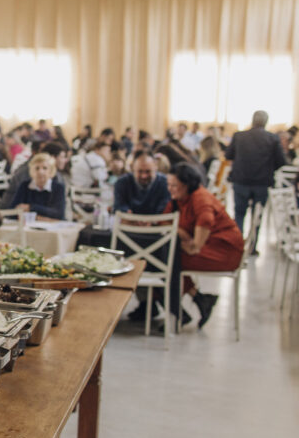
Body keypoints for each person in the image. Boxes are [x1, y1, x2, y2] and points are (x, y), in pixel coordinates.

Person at [166, 162, 245, 327]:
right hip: (212, 246)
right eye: (169, 184)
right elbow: (165, 222)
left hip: (224, 251)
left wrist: (183, 237)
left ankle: (180, 309)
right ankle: (196, 301)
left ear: (187, 185)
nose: (170, 189)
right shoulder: (181, 198)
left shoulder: (200, 198)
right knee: (165, 259)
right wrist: (181, 233)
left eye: (174, 185)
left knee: (166, 262)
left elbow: (195, 247)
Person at [224, 110, 286, 247]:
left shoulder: (239, 136)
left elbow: (228, 155)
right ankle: (252, 246)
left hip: (241, 180)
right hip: (262, 182)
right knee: (257, 215)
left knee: (239, 213)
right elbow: (281, 161)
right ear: (266, 122)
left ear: (253, 120)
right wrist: (269, 169)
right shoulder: (272, 138)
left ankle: (238, 245)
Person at [1, 141, 67, 209]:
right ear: (52, 158)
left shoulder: (56, 177)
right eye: (62, 157)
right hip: (11, 211)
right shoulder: (29, 172)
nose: (65, 160)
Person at [113, 150, 171, 215]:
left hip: (157, 223)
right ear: (133, 168)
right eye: (140, 171)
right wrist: (127, 213)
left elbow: (165, 208)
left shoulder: (166, 183)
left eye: (148, 171)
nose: (144, 176)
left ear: (155, 167)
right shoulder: (122, 182)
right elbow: (119, 206)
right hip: (128, 223)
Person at [11, 153, 67, 219]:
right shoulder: (25, 186)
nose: (40, 172)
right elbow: (13, 211)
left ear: (51, 171)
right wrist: (40, 215)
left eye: (45, 168)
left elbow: (58, 214)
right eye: (37, 168)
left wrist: (31, 207)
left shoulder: (58, 188)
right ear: (32, 171)